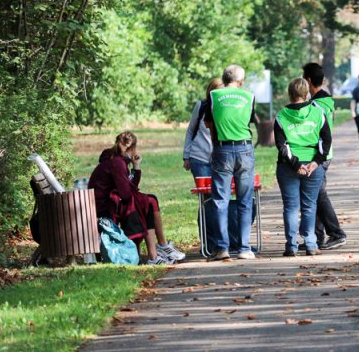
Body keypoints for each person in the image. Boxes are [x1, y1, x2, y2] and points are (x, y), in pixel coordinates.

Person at [89, 132, 184, 265]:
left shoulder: (117, 160)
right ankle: (158, 250)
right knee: (149, 202)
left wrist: (136, 167)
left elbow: (128, 188)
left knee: (149, 201)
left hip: (110, 202)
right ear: (132, 148)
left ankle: (157, 251)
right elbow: (126, 194)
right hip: (105, 206)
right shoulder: (117, 163)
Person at [204, 65, 256, 261]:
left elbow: (208, 122)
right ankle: (244, 248)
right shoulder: (249, 96)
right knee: (244, 200)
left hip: (222, 149)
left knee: (220, 200)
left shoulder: (214, 96)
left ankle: (222, 248)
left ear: (223, 78)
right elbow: (249, 120)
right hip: (244, 149)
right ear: (240, 81)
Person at [274, 78, 332, 257]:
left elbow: (282, 145)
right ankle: (310, 243)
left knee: (291, 207)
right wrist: (316, 162)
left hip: (288, 167)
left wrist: (295, 164)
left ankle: (291, 245)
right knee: (309, 206)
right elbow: (326, 140)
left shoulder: (281, 115)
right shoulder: (318, 113)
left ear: (290, 94)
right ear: (307, 94)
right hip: (313, 167)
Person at [302, 62, 347, 250]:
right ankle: (316, 237)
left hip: (317, 155)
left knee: (318, 194)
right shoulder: (327, 101)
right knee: (315, 194)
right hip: (325, 153)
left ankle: (336, 233)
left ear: (309, 80)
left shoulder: (315, 105)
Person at [183, 78, 223, 257]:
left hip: (220, 159)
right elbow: (191, 131)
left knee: (218, 201)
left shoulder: (225, 109)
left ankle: (220, 242)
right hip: (199, 159)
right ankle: (208, 243)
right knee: (206, 200)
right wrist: (186, 155)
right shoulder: (201, 106)